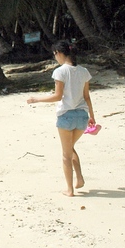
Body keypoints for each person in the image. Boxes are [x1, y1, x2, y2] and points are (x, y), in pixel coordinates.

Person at [26, 41, 96, 197]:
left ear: (59, 52)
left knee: (66, 154)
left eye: (54, 54)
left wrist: (36, 99)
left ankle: (69, 189)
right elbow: (86, 97)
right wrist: (92, 117)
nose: (55, 57)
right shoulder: (84, 71)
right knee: (70, 148)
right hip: (82, 116)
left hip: (66, 116)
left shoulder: (60, 71)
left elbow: (57, 96)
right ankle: (79, 179)